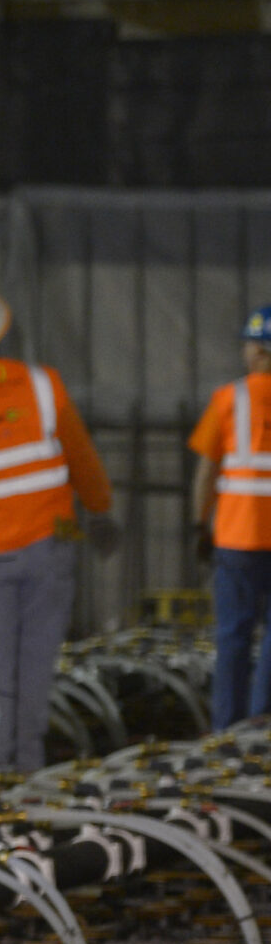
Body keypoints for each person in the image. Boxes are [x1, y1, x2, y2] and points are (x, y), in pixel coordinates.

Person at [0, 282, 116, 771]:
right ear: (1, 328)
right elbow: (83, 461)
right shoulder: (43, 386)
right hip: (48, 548)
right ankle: (28, 765)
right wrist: (99, 510)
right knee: (37, 660)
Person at [191, 305, 271, 728]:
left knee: (233, 637)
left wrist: (200, 524)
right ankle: (262, 728)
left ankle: (227, 732)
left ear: (258, 351)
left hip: (238, 538)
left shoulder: (230, 399)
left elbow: (206, 472)